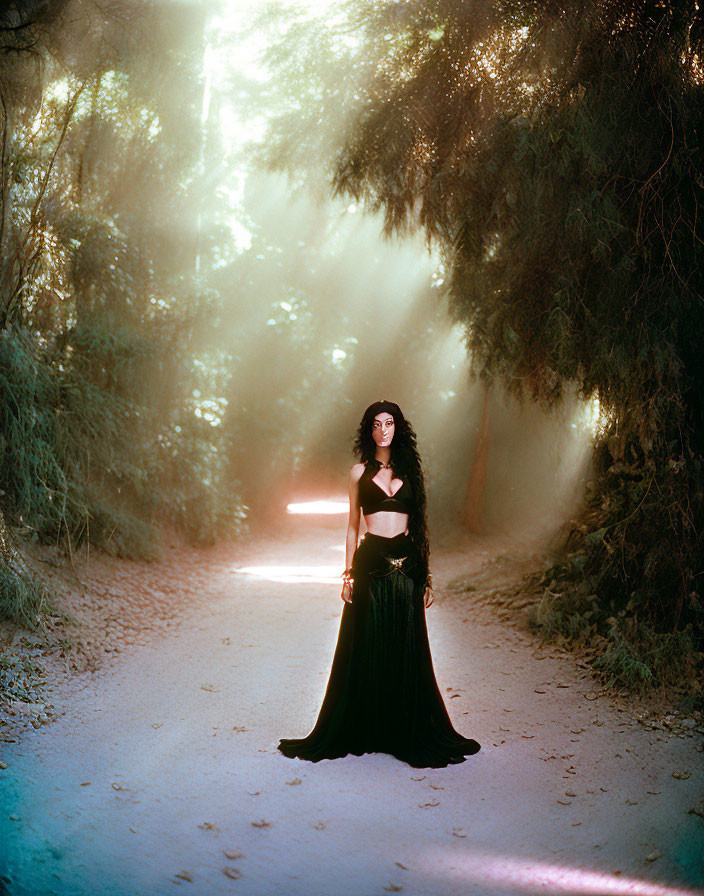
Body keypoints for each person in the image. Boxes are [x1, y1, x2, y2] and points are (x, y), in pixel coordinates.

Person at [278, 399, 480, 768]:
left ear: (398, 428)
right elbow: (353, 526)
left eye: (389, 423)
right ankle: (369, 728)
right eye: (376, 423)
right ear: (368, 430)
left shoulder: (412, 472)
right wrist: (347, 572)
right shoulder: (357, 473)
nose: (383, 429)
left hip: (407, 565)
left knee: (406, 643)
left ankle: (402, 729)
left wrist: (428, 574)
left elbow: (419, 527)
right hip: (369, 564)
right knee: (367, 643)